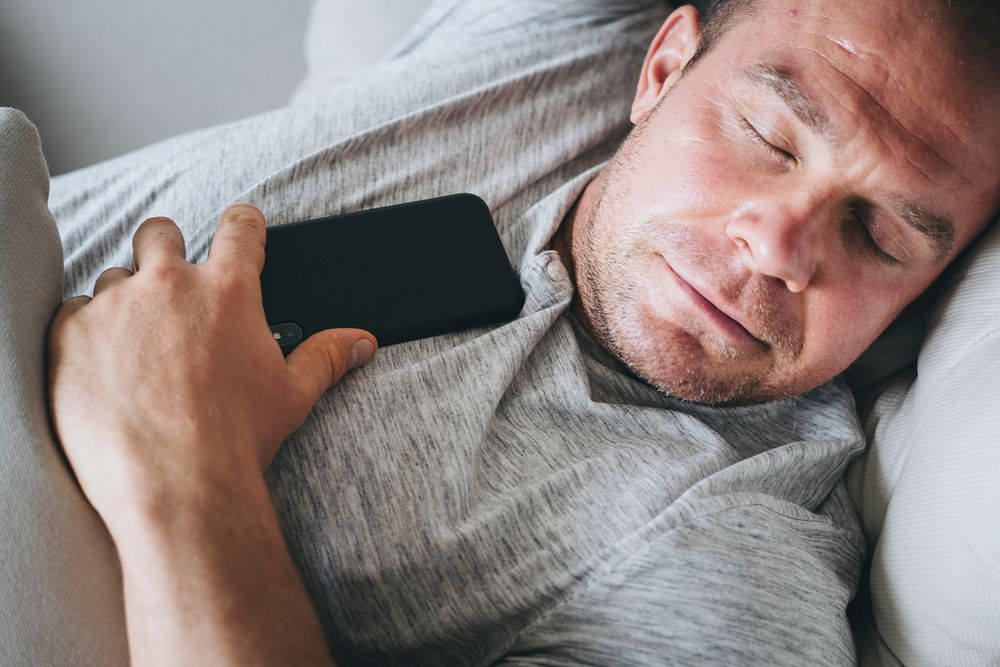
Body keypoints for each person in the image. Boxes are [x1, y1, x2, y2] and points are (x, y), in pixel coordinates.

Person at [2, 0, 998, 664]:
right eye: (768, 136)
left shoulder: (734, 571)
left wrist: (182, 469)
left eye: (878, 233)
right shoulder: (562, 42)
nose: (779, 246)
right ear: (661, 68)